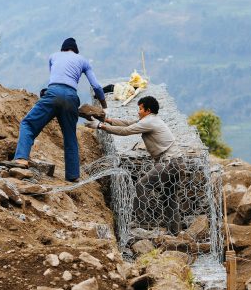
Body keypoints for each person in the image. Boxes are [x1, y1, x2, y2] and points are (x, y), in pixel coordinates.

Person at [11, 37, 107, 182]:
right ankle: (73, 175)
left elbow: (55, 79)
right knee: (70, 137)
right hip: (71, 98)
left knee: (28, 124)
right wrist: (104, 106)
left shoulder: (53, 56)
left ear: (62, 49)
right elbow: (97, 86)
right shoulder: (82, 60)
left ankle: (21, 159)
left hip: (53, 93)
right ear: (76, 51)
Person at [89, 96, 183, 233]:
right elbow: (128, 123)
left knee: (142, 184)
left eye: (140, 109)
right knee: (169, 196)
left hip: (168, 162)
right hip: (177, 163)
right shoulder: (150, 120)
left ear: (148, 110)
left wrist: (100, 126)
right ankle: (176, 231)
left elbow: (126, 131)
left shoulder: (149, 122)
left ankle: (140, 221)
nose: (138, 111)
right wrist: (106, 120)